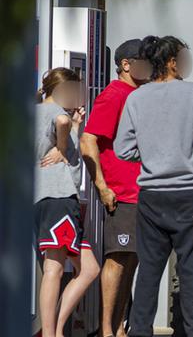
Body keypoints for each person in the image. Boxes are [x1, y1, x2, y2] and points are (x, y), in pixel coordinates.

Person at [114, 35, 193, 337]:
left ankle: (139, 332)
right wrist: (186, 150)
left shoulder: (136, 97)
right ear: (173, 62)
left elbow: (123, 149)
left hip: (151, 197)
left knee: (149, 271)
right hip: (189, 195)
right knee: (191, 271)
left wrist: (152, 152)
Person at [80, 39, 151, 337]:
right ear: (126, 65)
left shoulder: (137, 95)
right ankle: (106, 330)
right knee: (118, 258)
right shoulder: (114, 95)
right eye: (144, 61)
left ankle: (119, 327)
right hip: (121, 193)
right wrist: (103, 186)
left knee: (131, 259)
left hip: (141, 192)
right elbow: (88, 140)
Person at [34, 67, 100, 337]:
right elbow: (60, 121)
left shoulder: (35, 111)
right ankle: (51, 333)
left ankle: (55, 329)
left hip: (46, 199)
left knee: (88, 268)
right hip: (59, 197)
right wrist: (63, 144)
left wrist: (74, 127)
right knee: (55, 268)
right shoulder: (52, 111)